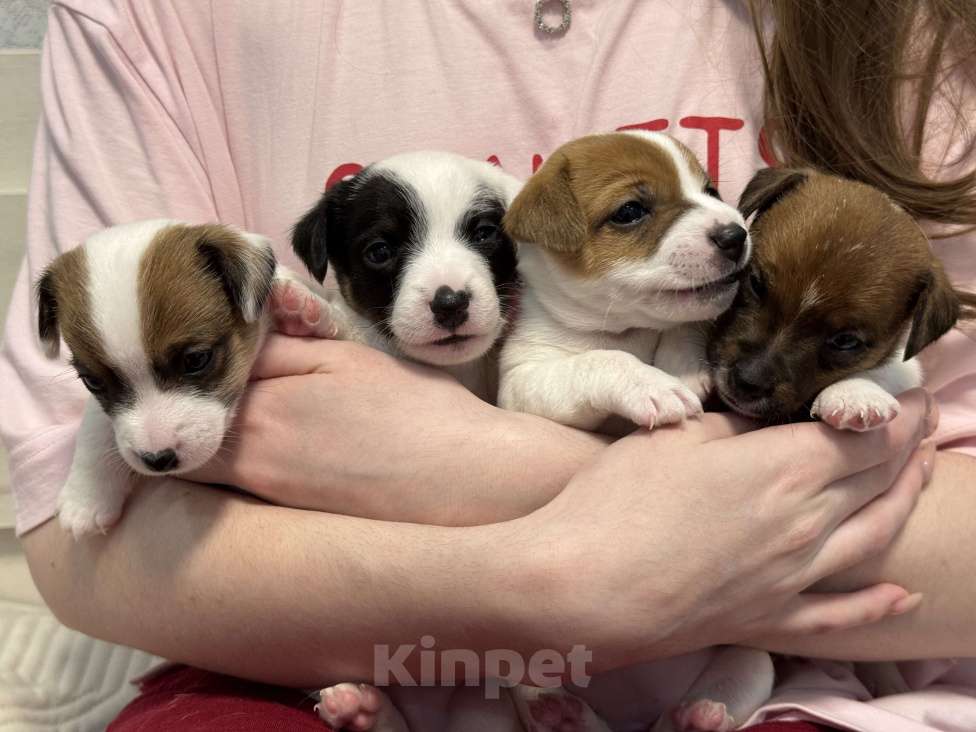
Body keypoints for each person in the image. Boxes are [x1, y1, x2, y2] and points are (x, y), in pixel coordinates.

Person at [1, 1, 973, 730]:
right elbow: (77, 534)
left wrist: (523, 501)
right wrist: (538, 577)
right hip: (299, 650)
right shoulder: (163, 21)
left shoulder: (912, 32)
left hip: (813, 684)